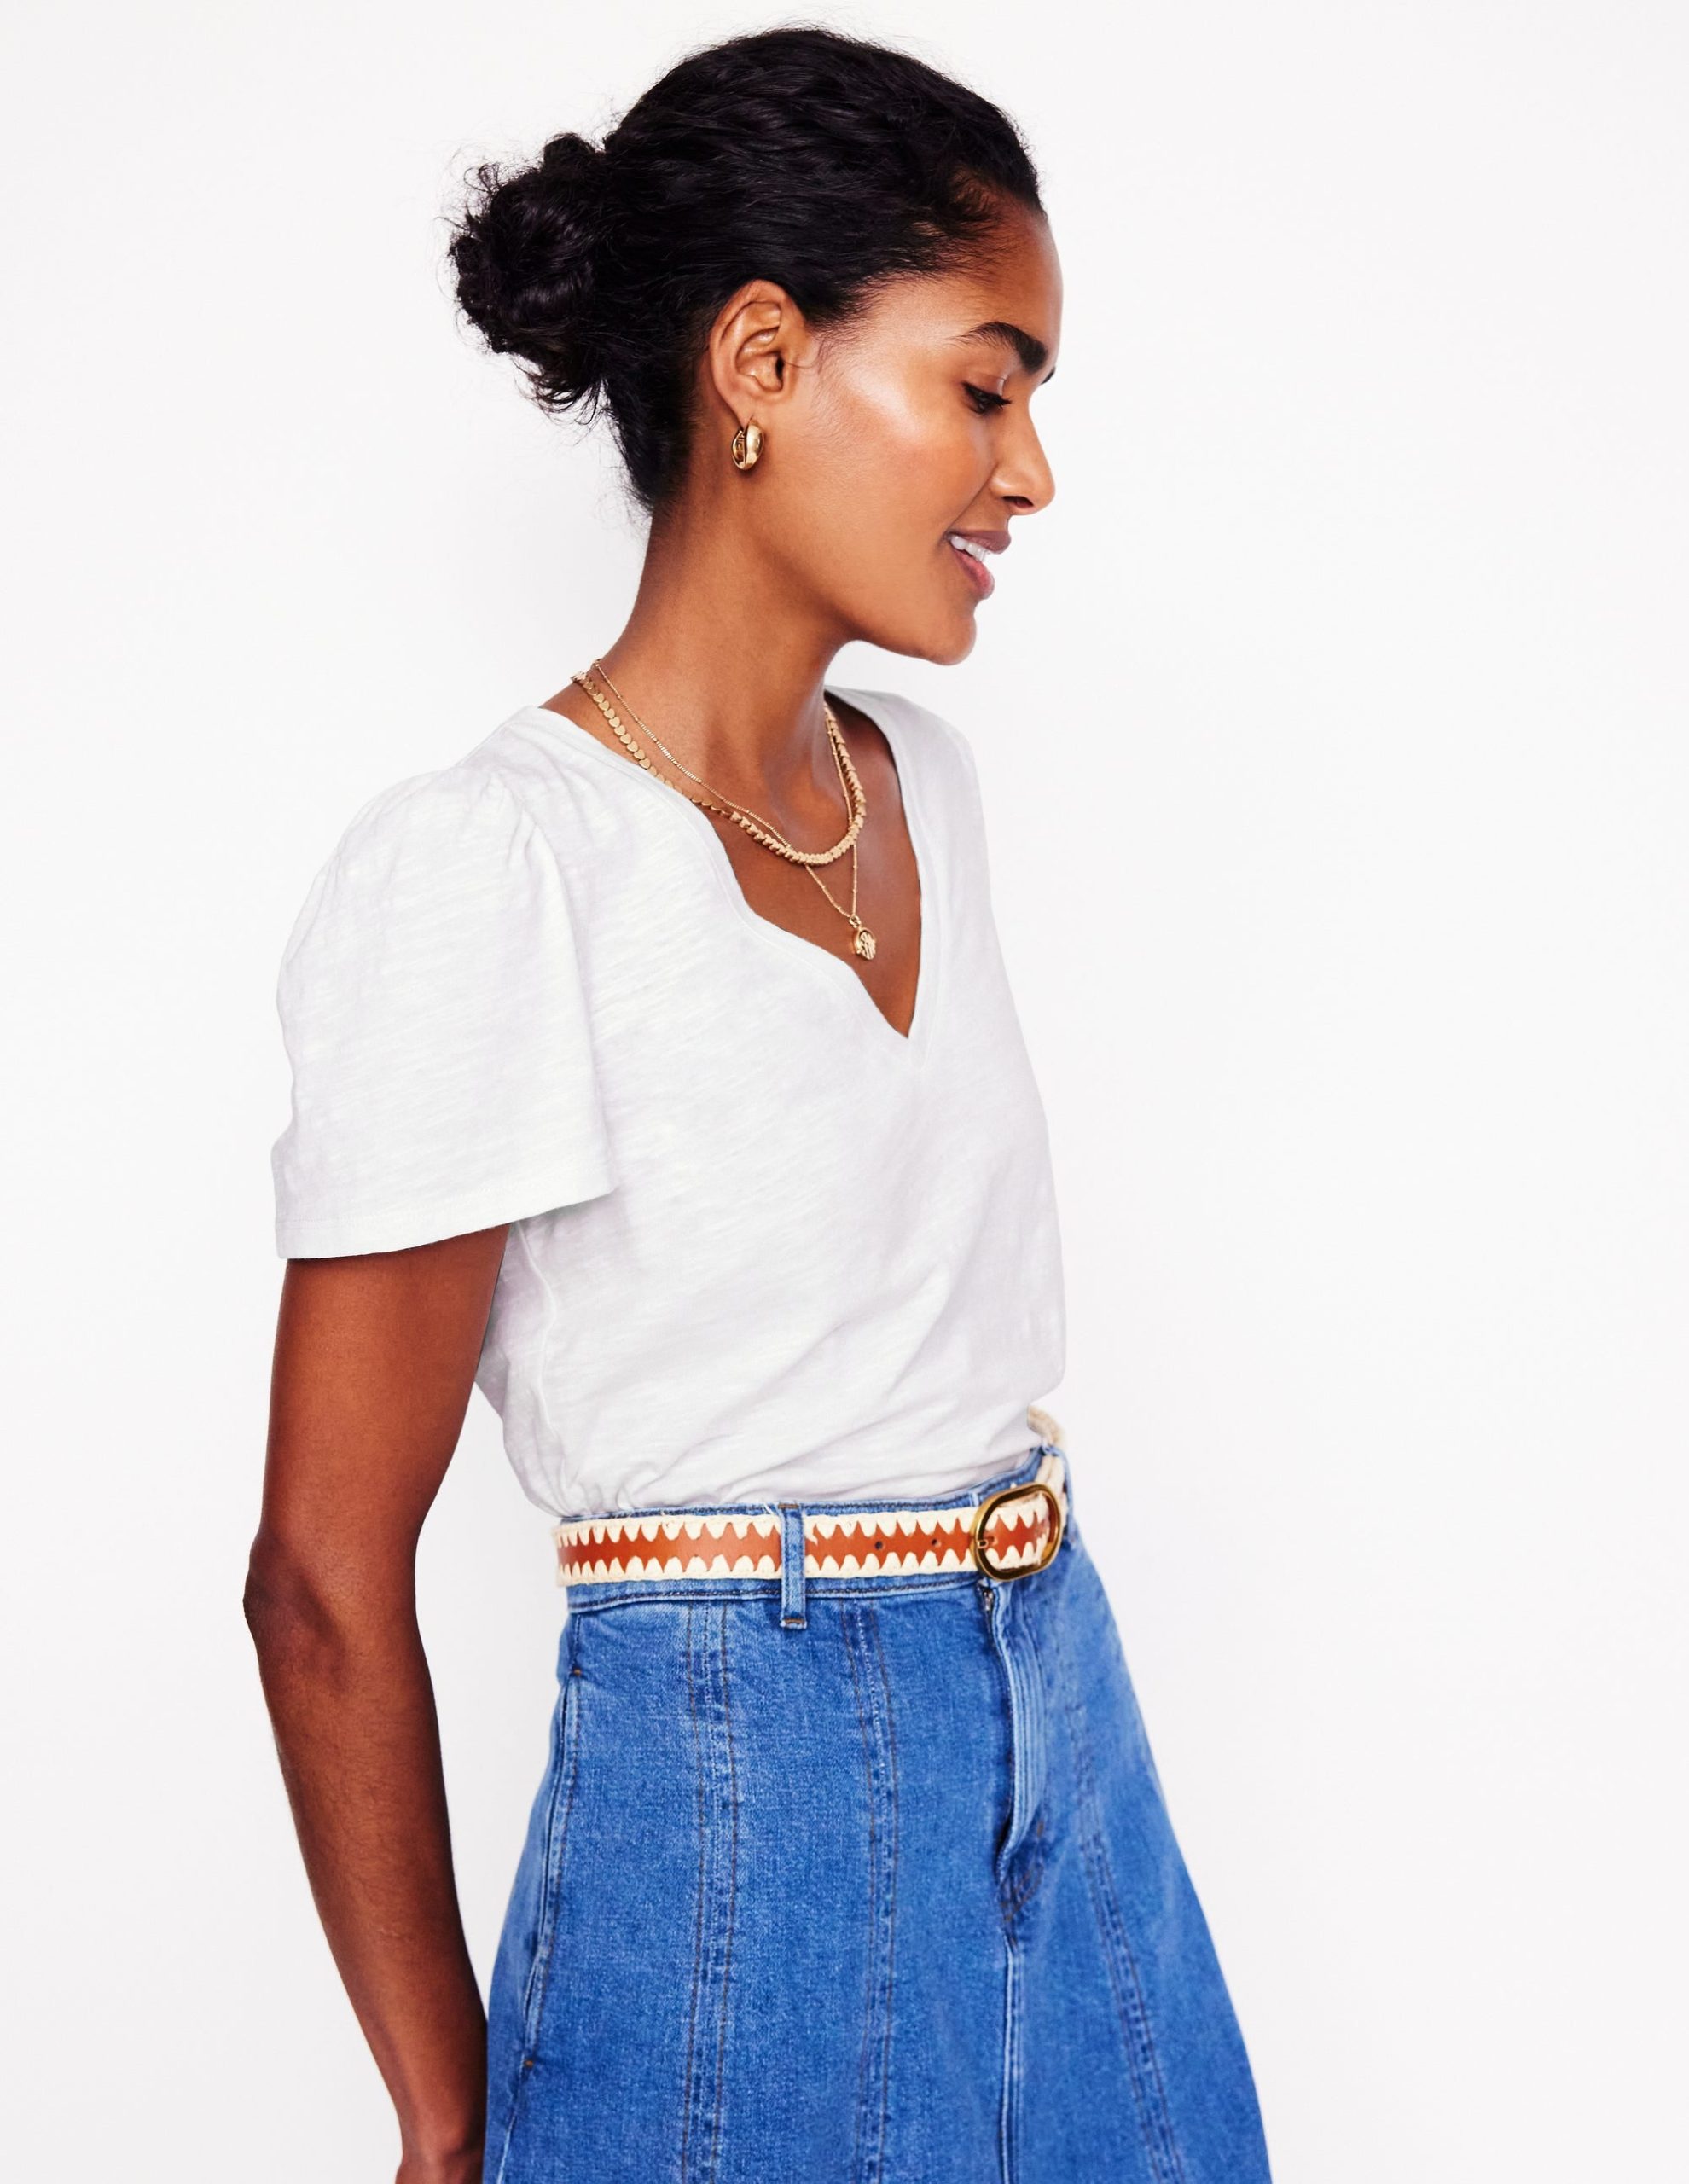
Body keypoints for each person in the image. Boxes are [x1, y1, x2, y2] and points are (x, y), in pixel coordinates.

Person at [246, 27, 1272, 2184]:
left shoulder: (927, 787)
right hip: (738, 1826)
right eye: (987, 386)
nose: (1030, 471)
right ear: (763, 359)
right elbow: (322, 1573)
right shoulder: (493, 864)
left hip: (1070, 1743)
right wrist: (447, 2113)